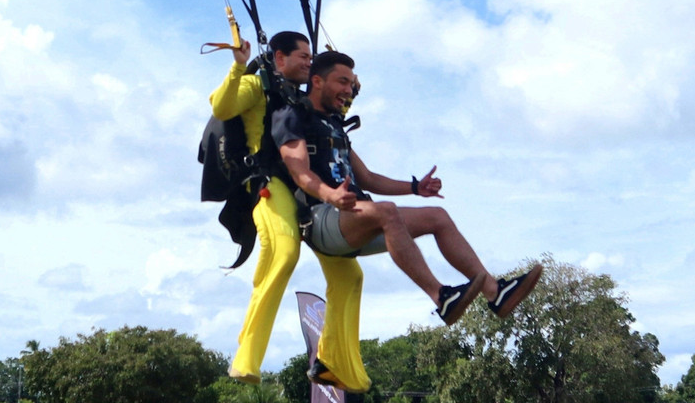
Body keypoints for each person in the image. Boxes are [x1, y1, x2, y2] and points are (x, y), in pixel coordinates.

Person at [273, 50, 542, 386]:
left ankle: (495, 294)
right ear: (317, 81)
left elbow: (368, 179)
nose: (349, 89)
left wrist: (416, 187)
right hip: (321, 219)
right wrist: (331, 195)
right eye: (342, 81)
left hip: (355, 217)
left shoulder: (335, 126)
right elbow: (299, 172)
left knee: (437, 217)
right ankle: (440, 297)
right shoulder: (292, 116)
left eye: (351, 83)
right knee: (385, 212)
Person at [208, 31, 340, 385]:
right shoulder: (255, 85)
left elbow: (332, 113)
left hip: (304, 186)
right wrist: (237, 68)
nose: (309, 62)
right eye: (303, 57)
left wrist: (346, 84)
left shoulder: (297, 97)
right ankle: (246, 359)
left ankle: (333, 360)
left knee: (345, 272)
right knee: (283, 254)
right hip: (269, 184)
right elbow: (222, 107)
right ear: (280, 58)